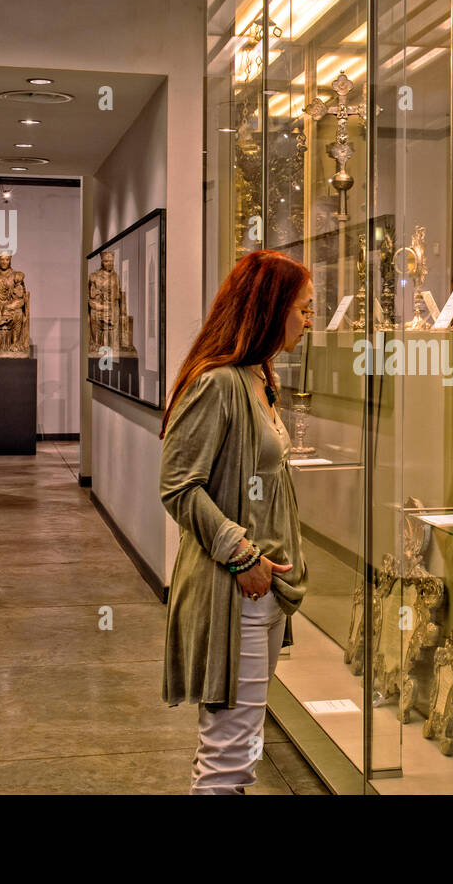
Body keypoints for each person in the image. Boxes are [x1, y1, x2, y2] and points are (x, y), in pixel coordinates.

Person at [159, 249, 314, 793]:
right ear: (270, 310)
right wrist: (242, 555)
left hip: (262, 590)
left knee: (239, 749)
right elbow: (179, 486)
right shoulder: (218, 383)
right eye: (302, 308)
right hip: (236, 592)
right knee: (229, 756)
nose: (308, 320)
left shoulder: (256, 376)